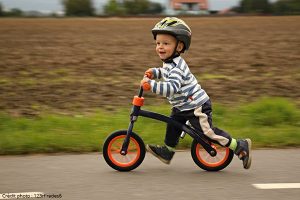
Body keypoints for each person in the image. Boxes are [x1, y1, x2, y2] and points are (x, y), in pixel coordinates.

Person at [140, 17, 252, 169]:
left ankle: (239, 145)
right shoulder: (170, 63)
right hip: (182, 105)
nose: (160, 47)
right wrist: (155, 72)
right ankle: (168, 151)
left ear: (179, 46)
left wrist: (150, 85)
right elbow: (166, 72)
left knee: (207, 133)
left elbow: (171, 87)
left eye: (166, 43)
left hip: (196, 106)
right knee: (173, 126)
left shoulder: (177, 67)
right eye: (158, 43)